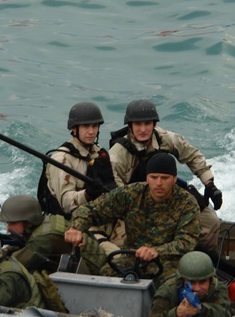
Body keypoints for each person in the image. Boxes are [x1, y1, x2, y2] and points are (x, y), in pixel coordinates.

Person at [109, 99, 223, 253]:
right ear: (130, 126)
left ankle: (201, 260)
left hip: (167, 193)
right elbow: (116, 193)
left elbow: (192, 155)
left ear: (154, 124)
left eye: (147, 124)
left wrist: (209, 184)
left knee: (210, 222)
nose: (143, 129)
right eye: (138, 124)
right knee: (120, 246)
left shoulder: (164, 138)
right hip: (133, 205)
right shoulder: (117, 155)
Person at [64, 152, 200, 281]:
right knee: (107, 276)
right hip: (132, 257)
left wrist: (156, 251)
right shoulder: (132, 194)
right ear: (147, 178)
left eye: (164, 178)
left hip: (168, 261)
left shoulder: (187, 203)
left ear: (174, 179)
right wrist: (76, 227)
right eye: (153, 177)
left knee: (170, 287)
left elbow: (186, 241)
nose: (159, 183)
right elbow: (91, 209)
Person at [39, 101, 116, 218]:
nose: (91, 132)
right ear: (74, 129)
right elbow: (65, 204)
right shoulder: (61, 160)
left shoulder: (99, 153)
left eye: (94, 126)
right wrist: (87, 194)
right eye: (86, 126)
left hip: (94, 213)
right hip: (67, 219)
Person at [0, 193, 107, 275]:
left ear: (28, 222)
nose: (8, 229)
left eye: (12, 223)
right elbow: (25, 243)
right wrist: (7, 250)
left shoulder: (42, 239)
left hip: (94, 274)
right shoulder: (47, 221)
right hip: (97, 259)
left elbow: (14, 265)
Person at [148, 251, 232, 317]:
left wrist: (201, 310)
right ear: (182, 280)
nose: (197, 288)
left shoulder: (218, 288)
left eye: (202, 282)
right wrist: (176, 314)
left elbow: (225, 315)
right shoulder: (168, 290)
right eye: (192, 282)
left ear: (210, 280)